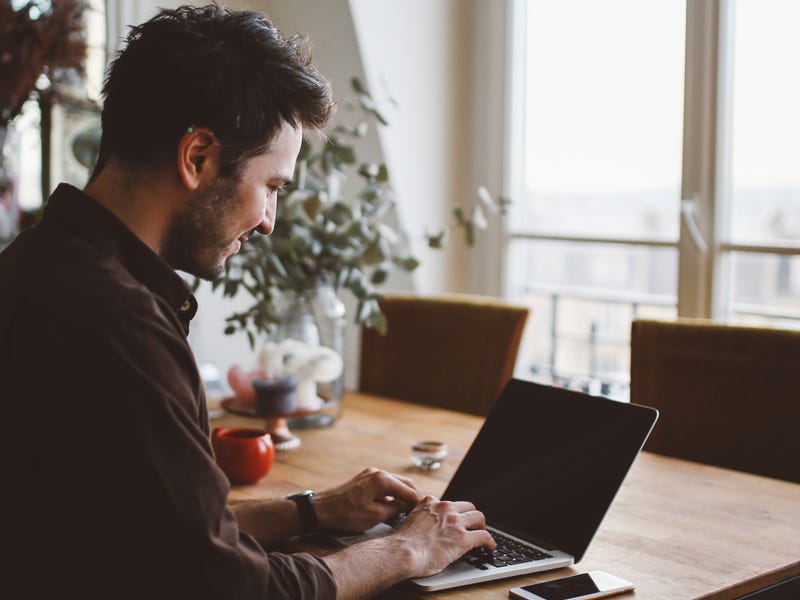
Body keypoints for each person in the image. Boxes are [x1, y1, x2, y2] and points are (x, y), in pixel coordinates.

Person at [0, 4, 493, 599]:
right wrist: (406, 549)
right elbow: (227, 586)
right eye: (272, 186)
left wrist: (311, 510)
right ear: (198, 157)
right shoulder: (118, 320)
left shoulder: (35, 262)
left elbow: (165, 532)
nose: (268, 221)